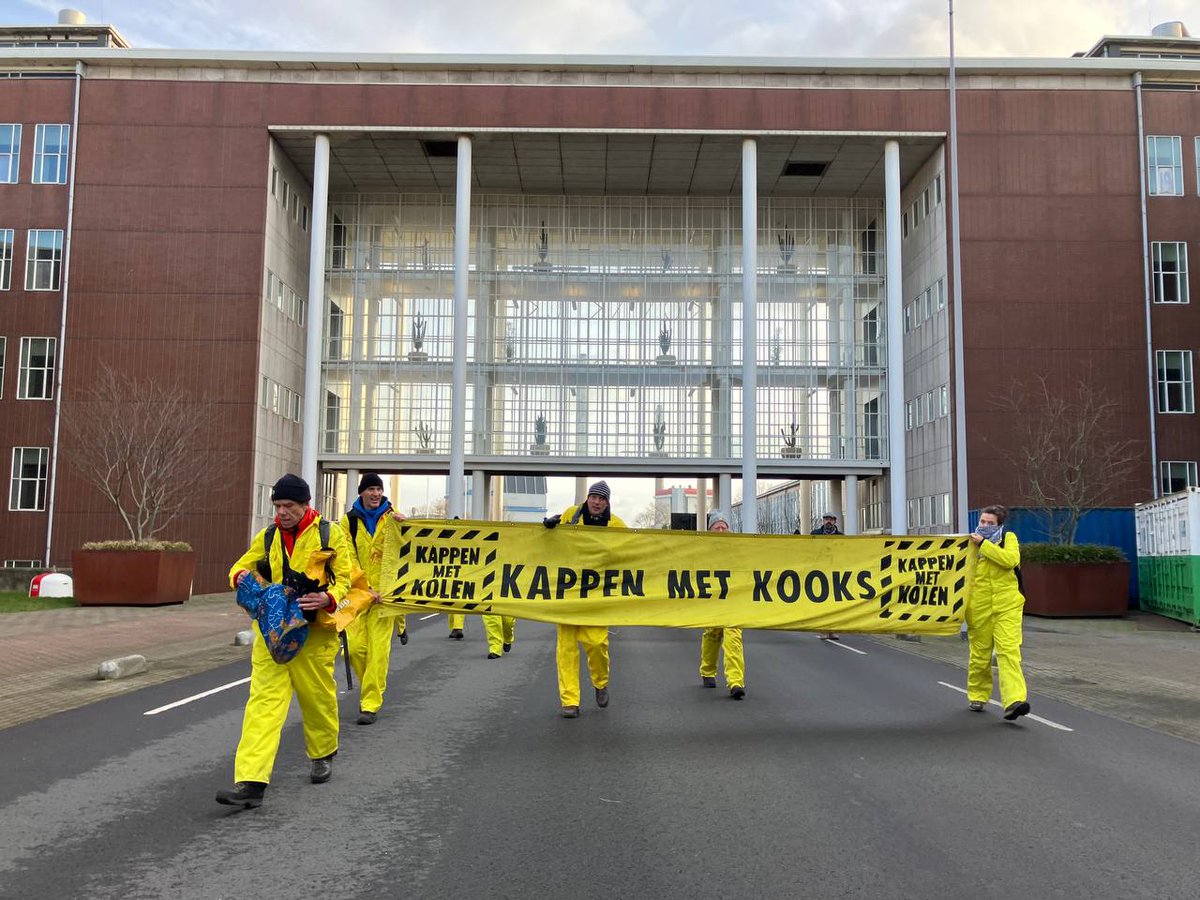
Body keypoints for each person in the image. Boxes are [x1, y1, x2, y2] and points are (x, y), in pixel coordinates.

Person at [216, 474, 354, 808]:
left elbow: (348, 580)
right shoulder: (267, 537)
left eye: (288, 506)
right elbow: (238, 568)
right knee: (263, 705)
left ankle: (322, 753)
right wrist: (243, 580)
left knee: (317, 700)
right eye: (277, 506)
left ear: (306, 505)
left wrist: (328, 599)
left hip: (314, 635)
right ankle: (250, 782)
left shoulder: (330, 533)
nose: (282, 512)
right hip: (273, 634)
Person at [543, 480, 626, 718]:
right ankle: (570, 701)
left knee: (597, 643)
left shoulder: (617, 525)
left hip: (596, 595)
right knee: (566, 649)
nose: (597, 502)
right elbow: (551, 538)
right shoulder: (571, 514)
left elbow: (632, 551)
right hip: (568, 593)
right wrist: (548, 528)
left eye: (601, 499)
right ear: (587, 498)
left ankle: (600, 683)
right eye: (593, 497)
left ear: (607, 502)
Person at [340, 473, 405, 725]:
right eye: (371, 489)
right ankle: (369, 687)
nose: (376, 494)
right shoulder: (348, 522)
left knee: (378, 651)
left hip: (385, 596)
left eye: (379, 489)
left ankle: (370, 703)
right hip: (358, 594)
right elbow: (346, 557)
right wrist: (365, 587)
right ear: (362, 493)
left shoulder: (393, 518)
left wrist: (406, 526)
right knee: (356, 649)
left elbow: (409, 549)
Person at [965, 505, 1031, 721]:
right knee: (980, 654)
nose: (984, 526)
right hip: (979, 606)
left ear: (1000, 525)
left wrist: (983, 545)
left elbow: (1009, 560)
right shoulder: (969, 544)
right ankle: (977, 695)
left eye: (989, 523)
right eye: (982, 522)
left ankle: (1014, 701)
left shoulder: (1008, 539)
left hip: (1008, 605)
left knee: (1009, 651)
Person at [699, 510, 746, 700]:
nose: (720, 530)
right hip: (712, 599)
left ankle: (735, 682)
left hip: (732, 600)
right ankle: (708, 671)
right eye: (716, 527)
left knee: (733, 636)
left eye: (723, 527)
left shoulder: (738, 550)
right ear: (710, 530)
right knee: (712, 633)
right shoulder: (701, 550)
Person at [801, 513, 842, 640]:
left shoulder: (841, 537)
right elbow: (808, 550)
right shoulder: (815, 533)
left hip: (836, 574)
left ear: (835, 521)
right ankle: (823, 630)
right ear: (823, 521)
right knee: (822, 603)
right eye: (826, 519)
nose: (828, 521)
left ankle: (833, 629)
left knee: (835, 604)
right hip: (819, 574)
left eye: (831, 519)